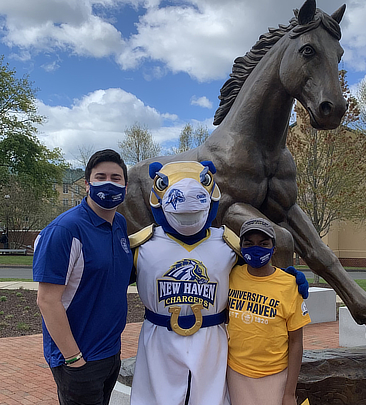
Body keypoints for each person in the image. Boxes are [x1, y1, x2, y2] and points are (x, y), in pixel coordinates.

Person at [129, 160, 308, 405]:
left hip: (211, 340)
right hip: (159, 340)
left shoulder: (227, 244)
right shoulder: (142, 244)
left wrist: (286, 279)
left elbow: (256, 273)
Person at [33, 149, 133, 405]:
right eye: (101, 177)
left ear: (125, 185)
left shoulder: (119, 224)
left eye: (116, 177)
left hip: (110, 353)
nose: (109, 183)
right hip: (78, 359)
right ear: (87, 184)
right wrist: (73, 357)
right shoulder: (64, 230)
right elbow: (47, 301)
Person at [227, 218, 311, 405]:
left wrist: (290, 393)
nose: (256, 248)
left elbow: (296, 342)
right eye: (249, 243)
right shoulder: (231, 276)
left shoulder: (289, 285)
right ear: (241, 248)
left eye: (263, 243)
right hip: (235, 372)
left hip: (274, 375)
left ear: (274, 248)